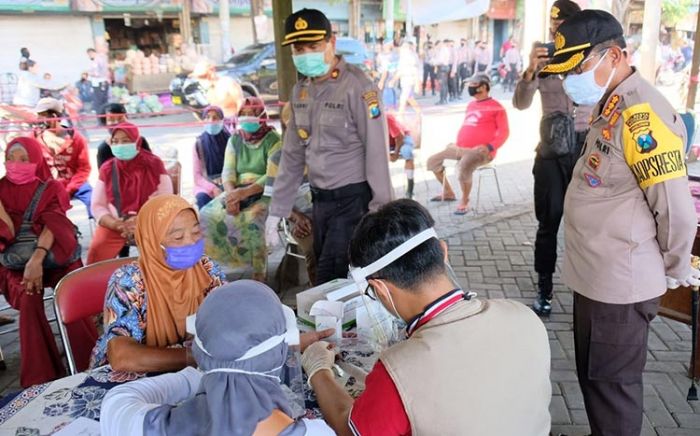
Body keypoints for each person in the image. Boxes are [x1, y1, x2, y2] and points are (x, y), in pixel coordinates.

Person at [539, 10, 699, 436]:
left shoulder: (639, 113)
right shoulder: (610, 104)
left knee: (613, 393)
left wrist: (671, 268)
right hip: (598, 281)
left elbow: (677, 211)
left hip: (619, 287)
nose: (571, 77)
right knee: (597, 384)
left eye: (578, 66)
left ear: (615, 55)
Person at [301, 199, 551, 435]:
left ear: (380, 289)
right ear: (443, 252)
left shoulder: (399, 370)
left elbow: (350, 429)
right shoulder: (523, 315)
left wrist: (319, 369)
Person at [100, 280, 336, 436]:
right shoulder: (316, 433)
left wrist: (206, 373)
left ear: (200, 353)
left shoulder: (151, 427)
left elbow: (118, 398)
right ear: (279, 355)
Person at [269, 8, 393, 285]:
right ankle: (340, 326)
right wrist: (278, 208)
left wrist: (381, 210)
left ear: (331, 42)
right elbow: (291, 154)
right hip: (320, 202)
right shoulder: (300, 91)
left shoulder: (359, 87)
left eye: (313, 46)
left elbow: (376, 150)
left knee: (332, 275)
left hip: (353, 201)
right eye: (299, 49)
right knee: (330, 274)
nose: (306, 54)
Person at [512, 0, 592, 316]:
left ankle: (586, 287)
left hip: (585, 149)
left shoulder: (589, 56)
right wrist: (532, 69)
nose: (555, 30)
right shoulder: (542, 56)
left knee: (585, 223)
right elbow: (520, 103)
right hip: (550, 151)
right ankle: (544, 287)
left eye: (561, 25)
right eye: (552, 24)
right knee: (549, 219)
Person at [89, 195, 225, 372]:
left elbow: (229, 320)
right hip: (135, 379)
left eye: (196, 232)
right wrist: (196, 357)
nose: (191, 242)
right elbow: (123, 357)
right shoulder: (129, 282)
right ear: (151, 242)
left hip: (192, 372)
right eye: (178, 237)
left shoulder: (207, 269)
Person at [0, 137, 94, 387]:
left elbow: (54, 225)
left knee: (70, 290)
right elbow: (6, 234)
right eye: (11, 158)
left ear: (36, 160)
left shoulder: (50, 187)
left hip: (54, 254)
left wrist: (37, 259)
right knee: (28, 294)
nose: (15, 164)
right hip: (16, 261)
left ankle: (89, 360)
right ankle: (41, 376)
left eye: (24, 159)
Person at [199, 97, 281, 282]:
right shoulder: (235, 139)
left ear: (262, 116)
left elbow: (271, 176)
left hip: (265, 192)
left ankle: (259, 274)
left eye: (251, 115)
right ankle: (211, 272)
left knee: (253, 219)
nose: (246, 119)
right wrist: (231, 196)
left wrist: (243, 193)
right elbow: (228, 172)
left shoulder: (274, 140)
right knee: (205, 214)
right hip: (235, 191)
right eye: (242, 115)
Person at [87, 123, 172, 264]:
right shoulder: (107, 168)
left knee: (166, 256)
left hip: (151, 223)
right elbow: (97, 205)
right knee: (96, 253)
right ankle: (98, 285)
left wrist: (140, 221)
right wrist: (116, 225)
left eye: (126, 141)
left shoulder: (153, 164)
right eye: (115, 141)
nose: (119, 145)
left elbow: (165, 200)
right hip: (116, 224)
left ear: (137, 141)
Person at [427, 74, 509, 215]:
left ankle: (465, 200)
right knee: (433, 161)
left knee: (464, 166)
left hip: (481, 152)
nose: (470, 87)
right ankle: (448, 192)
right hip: (460, 148)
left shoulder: (497, 107)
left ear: (483, 87)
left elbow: (504, 132)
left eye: (473, 84)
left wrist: (489, 147)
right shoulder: (471, 105)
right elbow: (469, 126)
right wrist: (456, 144)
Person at [33, 97, 93, 216]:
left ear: (55, 116)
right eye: (38, 115)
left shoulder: (76, 138)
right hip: (46, 186)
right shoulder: (33, 138)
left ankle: (99, 231)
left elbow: (84, 168)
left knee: (94, 200)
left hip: (75, 183)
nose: (39, 120)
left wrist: (69, 189)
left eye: (42, 115)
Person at [193, 106, 229, 210]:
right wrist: (213, 188)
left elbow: (237, 168)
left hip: (229, 181)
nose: (211, 121)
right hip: (206, 183)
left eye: (215, 117)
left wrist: (226, 183)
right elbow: (197, 177)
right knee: (202, 199)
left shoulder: (230, 141)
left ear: (222, 120)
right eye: (207, 117)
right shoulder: (198, 144)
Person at [95, 103, 153, 169]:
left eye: (120, 118)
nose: (117, 122)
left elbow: (151, 164)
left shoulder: (140, 141)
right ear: (105, 124)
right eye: (111, 119)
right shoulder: (104, 148)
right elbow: (103, 175)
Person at [387, 113, 416, 199]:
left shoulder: (386, 117)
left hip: (402, 137)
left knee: (406, 151)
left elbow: (400, 136)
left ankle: (410, 186)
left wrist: (395, 154)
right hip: (387, 140)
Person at [390, 41, 422, 118]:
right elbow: (400, 71)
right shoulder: (402, 57)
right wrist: (393, 80)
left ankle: (400, 115)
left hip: (410, 80)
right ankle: (418, 111)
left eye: (405, 47)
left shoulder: (411, 57)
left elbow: (415, 70)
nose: (403, 49)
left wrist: (417, 83)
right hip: (404, 80)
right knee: (409, 98)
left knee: (403, 98)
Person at [87, 48, 110, 113]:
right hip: (97, 82)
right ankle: (102, 114)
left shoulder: (98, 60)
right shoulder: (94, 60)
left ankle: (102, 114)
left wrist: (92, 74)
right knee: (100, 100)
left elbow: (99, 72)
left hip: (100, 82)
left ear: (92, 53)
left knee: (100, 100)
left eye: (90, 54)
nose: (89, 56)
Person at [434, 39, 452, 105]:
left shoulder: (442, 50)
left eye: (437, 46)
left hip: (442, 67)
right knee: (445, 84)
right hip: (445, 67)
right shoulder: (445, 49)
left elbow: (440, 60)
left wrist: (433, 62)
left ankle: (442, 100)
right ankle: (444, 99)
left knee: (442, 85)